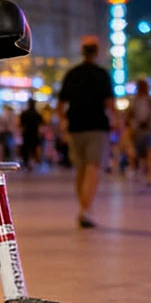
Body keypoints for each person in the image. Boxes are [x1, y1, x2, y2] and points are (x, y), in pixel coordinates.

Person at [57, 35, 115, 228]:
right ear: (97, 52)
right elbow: (110, 103)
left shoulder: (72, 74)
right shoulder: (102, 74)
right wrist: (117, 122)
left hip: (75, 127)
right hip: (97, 127)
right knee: (94, 167)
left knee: (81, 169)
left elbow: (60, 104)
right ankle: (85, 210)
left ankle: (84, 209)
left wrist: (64, 123)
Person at [126, 78, 151, 188]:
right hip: (141, 131)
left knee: (150, 154)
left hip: (148, 131)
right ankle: (147, 175)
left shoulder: (148, 101)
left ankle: (149, 176)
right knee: (145, 155)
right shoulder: (139, 101)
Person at [19, 97, 44, 170]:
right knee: (35, 148)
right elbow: (42, 124)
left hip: (26, 133)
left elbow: (21, 124)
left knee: (26, 148)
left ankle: (26, 162)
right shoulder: (37, 114)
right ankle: (36, 161)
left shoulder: (24, 113)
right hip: (35, 133)